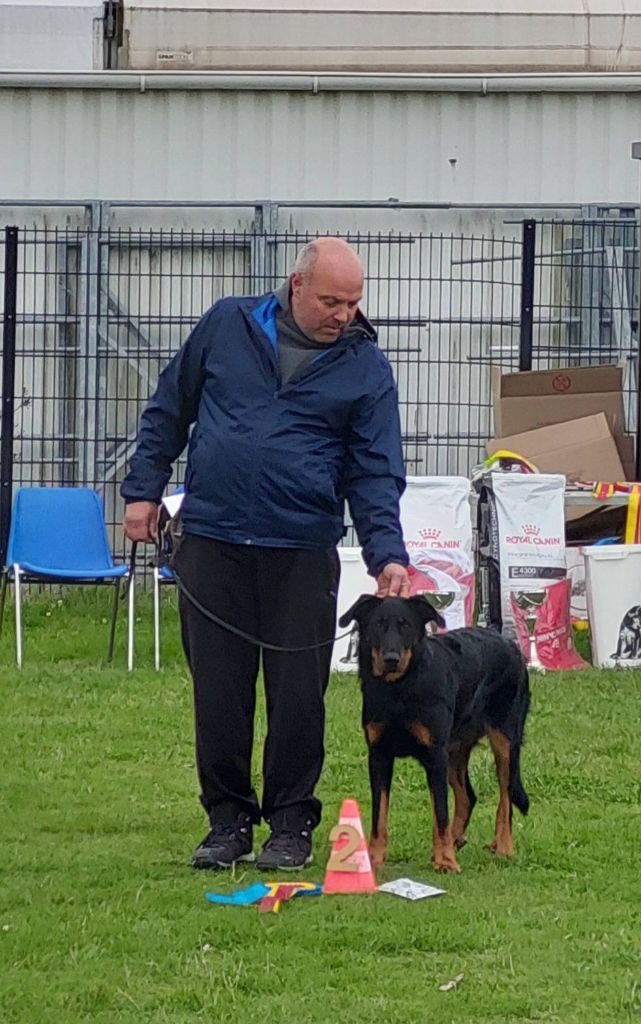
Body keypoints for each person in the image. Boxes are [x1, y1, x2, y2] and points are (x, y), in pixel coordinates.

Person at [121, 237, 410, 871]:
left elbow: (374, 471)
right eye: (332, 301)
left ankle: (290, 824)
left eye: (353, 302)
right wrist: (142, 490)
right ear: (296, 285)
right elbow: (169, 410)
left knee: (298, 694)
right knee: (219, 694)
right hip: (212, 542)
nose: (343, 315)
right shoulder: (228, 324)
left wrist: (387, 551)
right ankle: (226, 822)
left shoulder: (365, 368)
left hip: (301, 550)